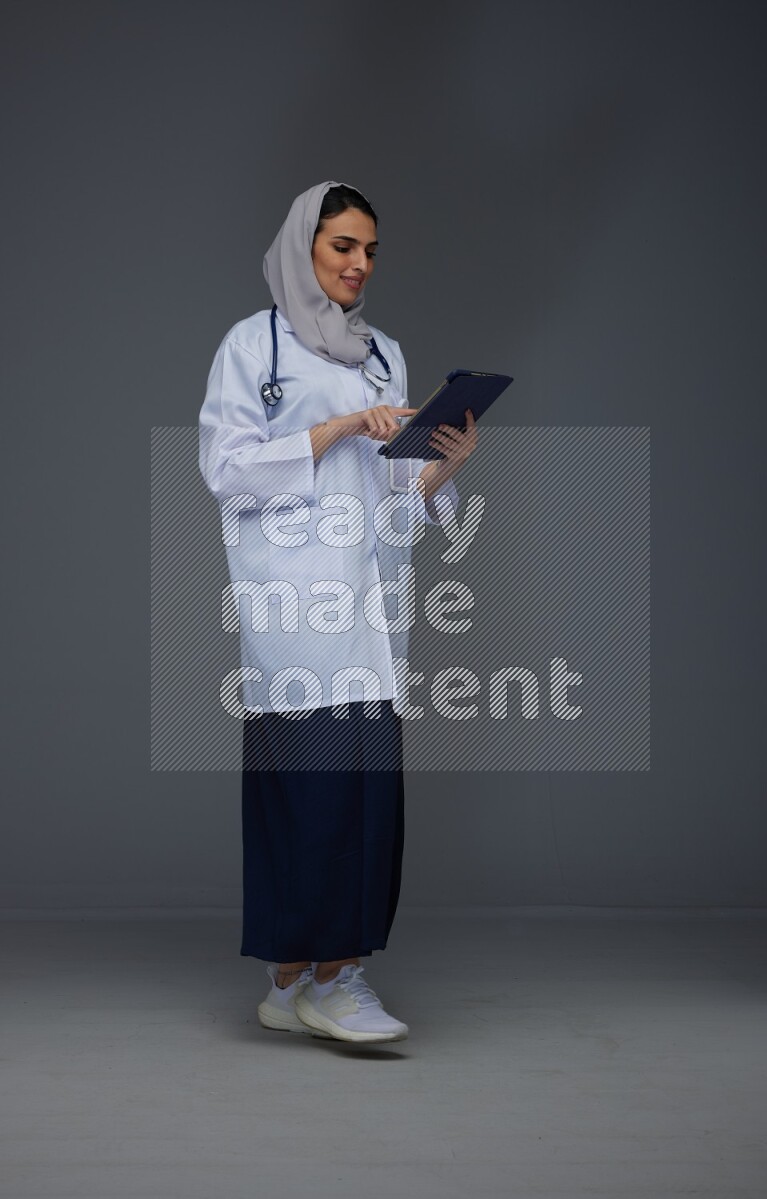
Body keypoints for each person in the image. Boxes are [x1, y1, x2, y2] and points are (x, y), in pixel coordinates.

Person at [198, 180, 478, 1043]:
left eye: (369, 251)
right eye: (342, 247)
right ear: (302, 248)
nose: (359, 265)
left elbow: (395, 495)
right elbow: (227, 470)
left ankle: (307, 983)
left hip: (370, 609)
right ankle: (327, 978)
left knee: (364, 801)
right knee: (310, 799)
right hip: (292, 607)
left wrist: (437, 465)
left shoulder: (384, 354)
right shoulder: (254, 348)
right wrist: (337, 428)